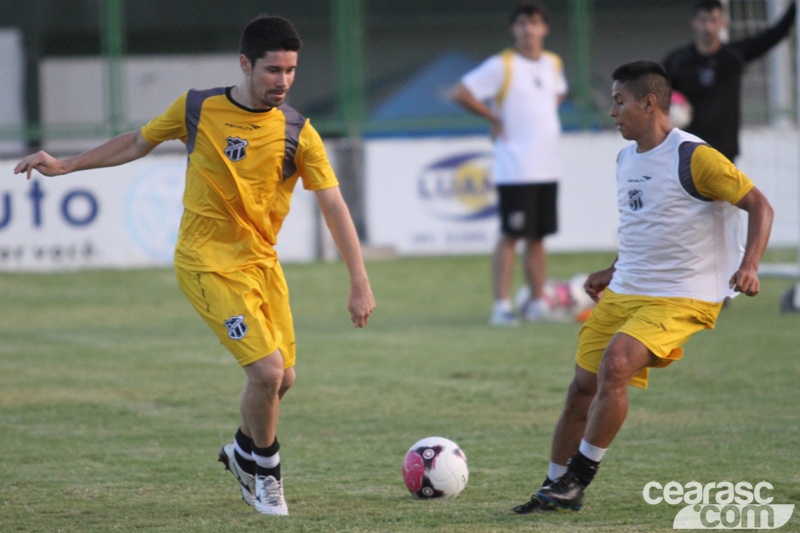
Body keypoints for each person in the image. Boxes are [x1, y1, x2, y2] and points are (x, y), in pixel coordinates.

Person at [14, 15, 375, 517]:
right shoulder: (197, 107)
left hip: (261, 267)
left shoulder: (299, 131)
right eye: (273, 70)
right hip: (204, 264)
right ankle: (265, 475)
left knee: (283, 379)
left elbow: (334, 204)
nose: (283, 81)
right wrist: (68, 165)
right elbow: (138, 140)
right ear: (245, 64)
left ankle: (242, 451)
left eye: (291, 71)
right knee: (268, 373)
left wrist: (359, 280)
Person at [513, 60, 773, 514]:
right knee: (581, 387)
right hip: (628, 288)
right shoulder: (626, 158)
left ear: (649, 103)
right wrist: (613, 270)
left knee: (617, 365)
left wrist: (749, 265)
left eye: (619, 101)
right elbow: (645, 224)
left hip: (683, 294)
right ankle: (553, 489)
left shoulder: (695, 157)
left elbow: (759, 205)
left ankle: (578, 478)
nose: (612, 112)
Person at [451, 1, 567, 326]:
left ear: (544, 28)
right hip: (516, 166)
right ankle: (501, 305)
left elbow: (556, 95)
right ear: (514, 29)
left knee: (539, 237)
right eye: (522, 23)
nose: (528, 29)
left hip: (547, 165)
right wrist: (495, 117)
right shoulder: (502, 65)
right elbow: (461, 92)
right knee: (510, 235)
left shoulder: (553, 63)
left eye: (534, 23)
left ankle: (536, 301)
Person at [663, 0, 796, 162]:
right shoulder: (677, 61)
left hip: (724, 150)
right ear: (694, 22)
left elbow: (773, 36)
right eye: (704, 20)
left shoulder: (733, 56)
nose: (709, 27)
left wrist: (793, 8)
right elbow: (658, 90)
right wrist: (674, 102)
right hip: (688, 149)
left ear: (723, 23)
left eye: (714, 21)